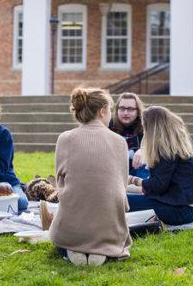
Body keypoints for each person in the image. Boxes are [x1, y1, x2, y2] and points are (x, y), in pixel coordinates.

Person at [49, 86, 132, 266]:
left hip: (71, 227)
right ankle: (102, 251)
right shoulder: (119, 142)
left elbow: (60, 182)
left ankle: (73, 247)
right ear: (102, 111)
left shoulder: (65, 138)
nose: (111, 114)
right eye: (110, 110)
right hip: (108, 230)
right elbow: (121, 186)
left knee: (67, 212)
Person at [127, 106, 193, 226]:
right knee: (122, 197)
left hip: (179, 212)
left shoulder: (169, 153)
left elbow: (158, 185)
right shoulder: (172, 149)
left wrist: (131, 179)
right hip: (179, 207)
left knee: (120, 200)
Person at [109, 92, 149, 179]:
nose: (126, 113)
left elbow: (156, 144)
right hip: (114, 171)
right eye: (122, 108)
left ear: (137, 111)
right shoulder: (109, 125)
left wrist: (144, 150)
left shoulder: (146, 126)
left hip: (138, 169)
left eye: (130, 109)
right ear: (117, 109)